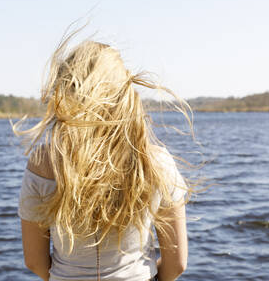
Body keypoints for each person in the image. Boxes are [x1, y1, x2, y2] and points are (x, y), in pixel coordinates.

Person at [13, 33, 193, 281]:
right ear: (124, 94)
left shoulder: (43, 163)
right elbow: (178, 264)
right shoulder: (156, 162)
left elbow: (34, 261)